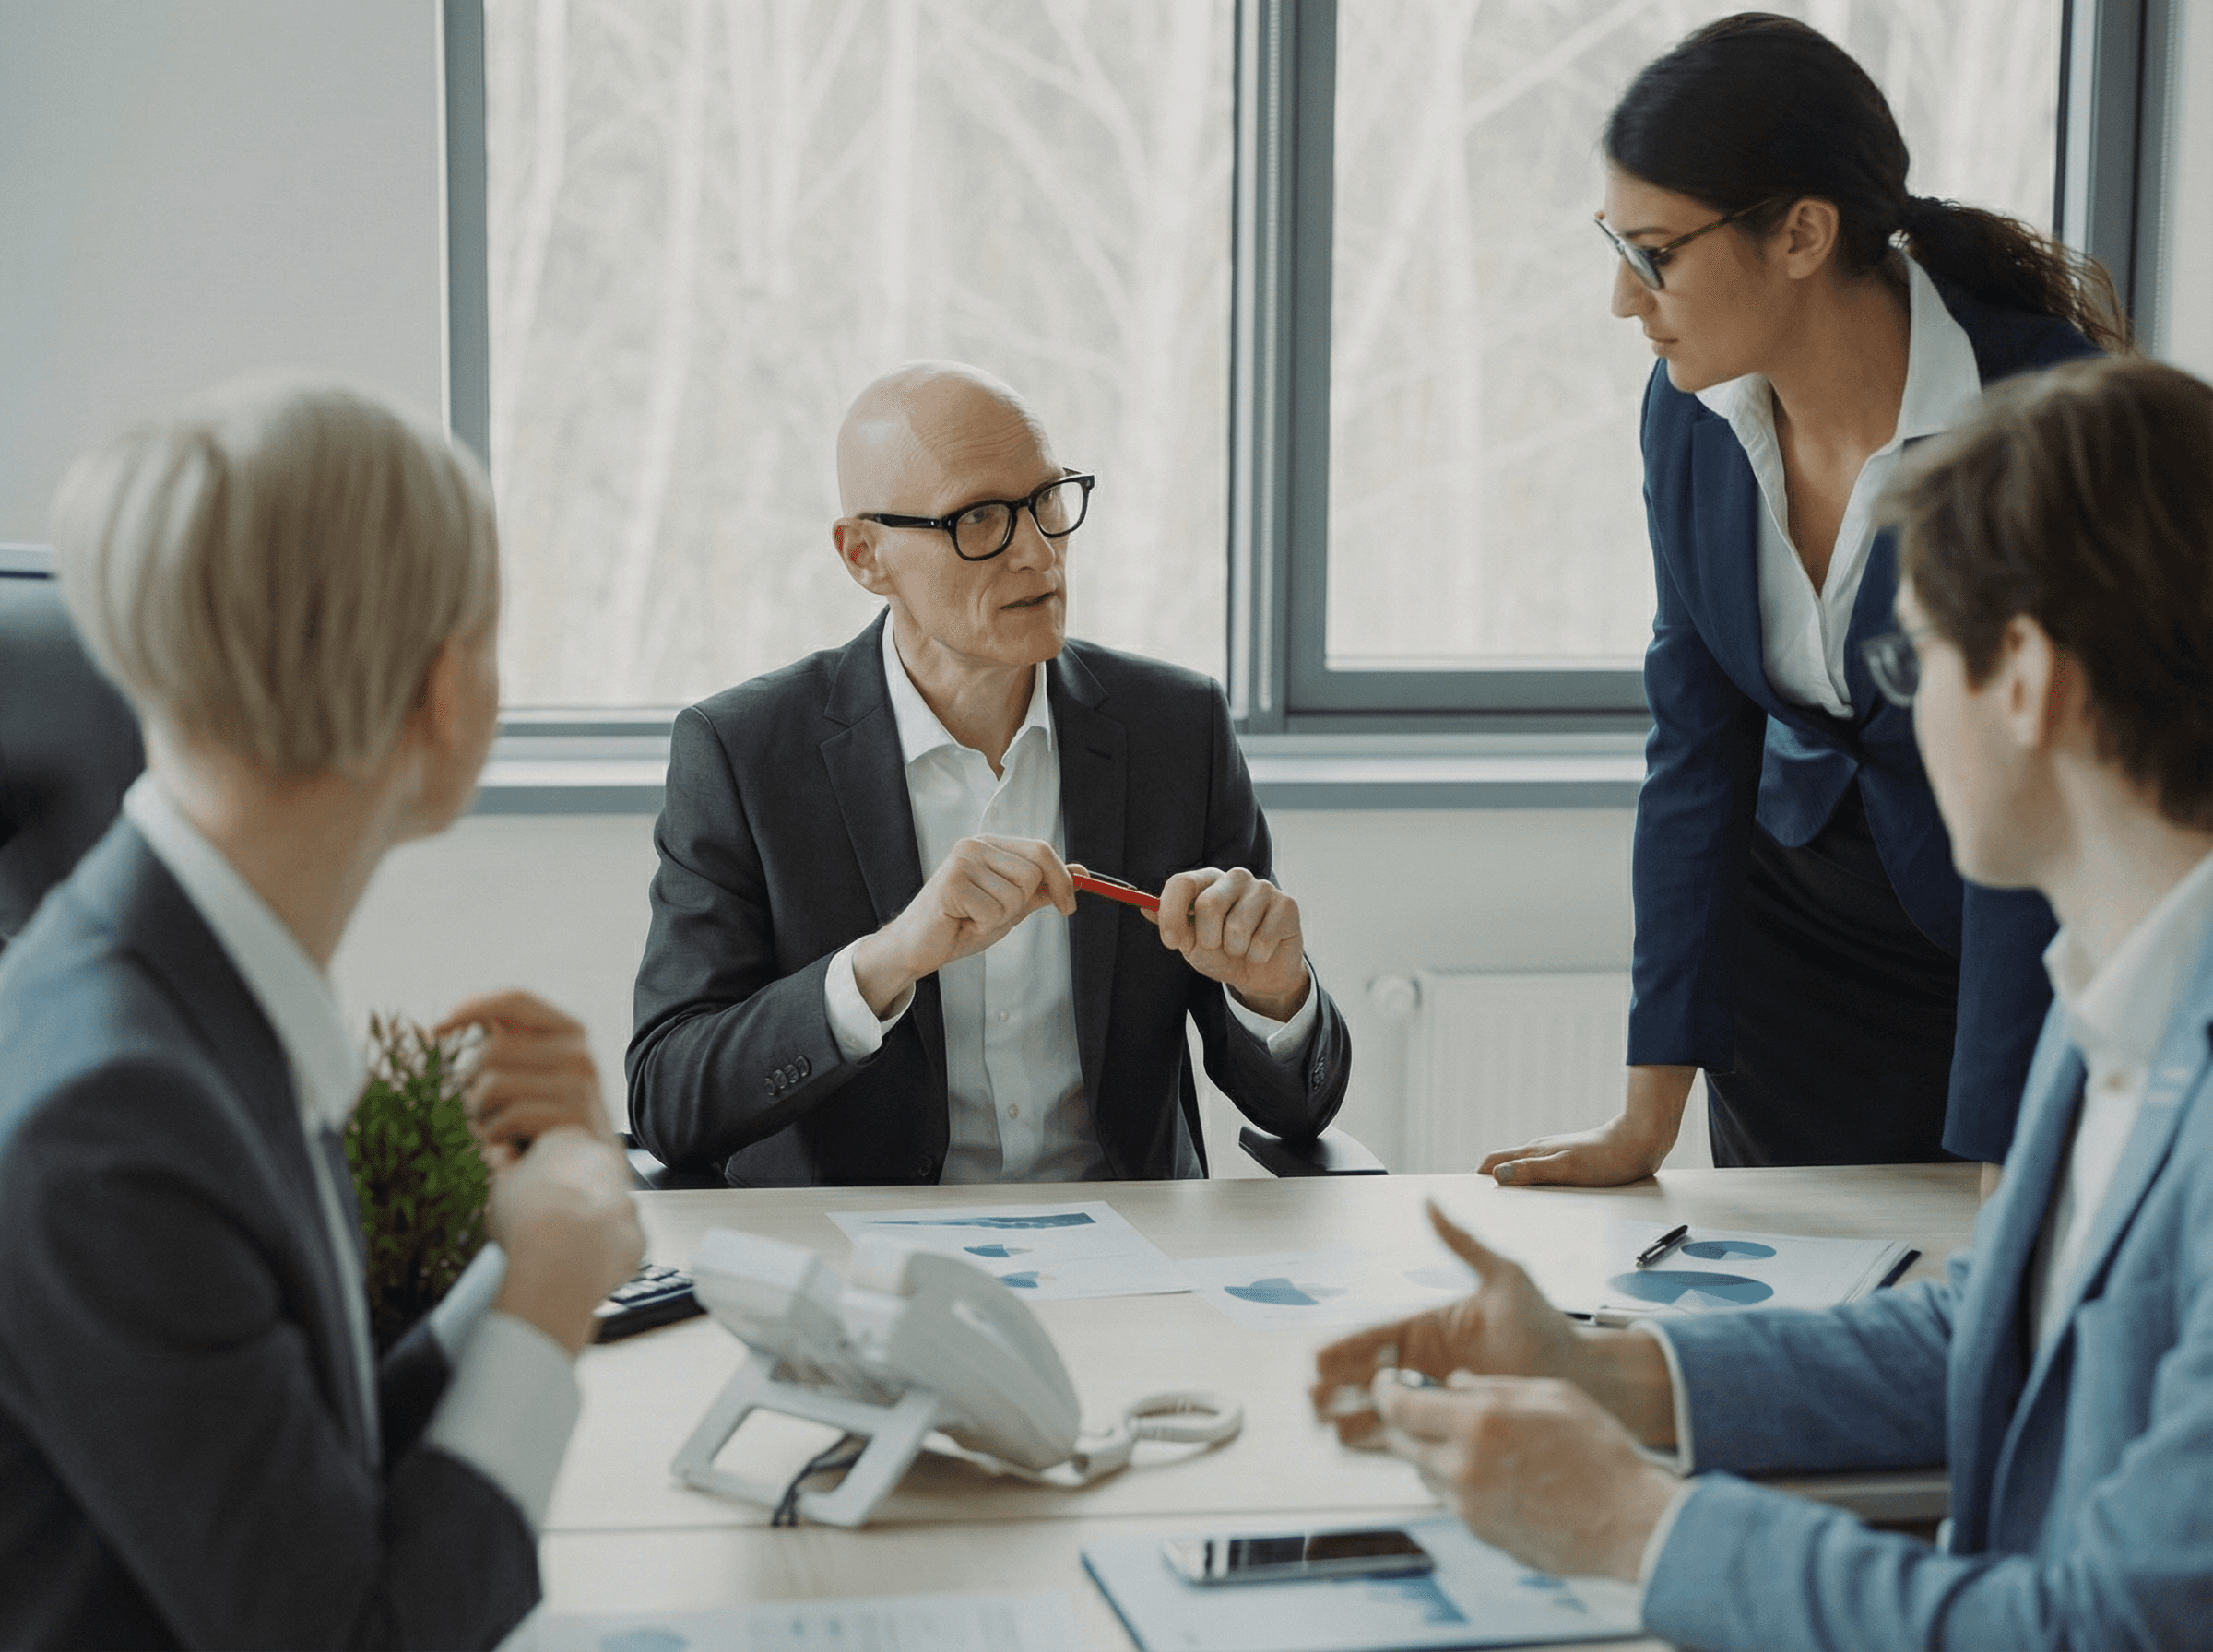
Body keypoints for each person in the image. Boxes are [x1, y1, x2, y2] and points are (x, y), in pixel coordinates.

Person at [1313, 354, 2213, 1647]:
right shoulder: (2111, 996)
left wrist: (1635, 1525)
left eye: (1916, 666)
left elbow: (2103, 1636)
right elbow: (1993, 1328)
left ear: (2024, 681)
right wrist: (1608, 1373)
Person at [0, 379, 645, 1648]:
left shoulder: (163, 985)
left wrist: (533, 1249)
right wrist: (551, 1292)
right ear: (444, 689)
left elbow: (296, 1478)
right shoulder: (114, 1120)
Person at [1482, 13, 2121, 1187]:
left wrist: (2000, 1141)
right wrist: (1645, 1115)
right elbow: (1696, 746)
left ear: (1803, 235)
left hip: (2013, 940)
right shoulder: (1691, 411)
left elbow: (2063, 794)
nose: (1626, 303)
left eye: (1653, 255)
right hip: (1794, 962)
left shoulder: (2046, 418)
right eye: (1614, 247)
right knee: (1793, 1297)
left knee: (1973, 1311)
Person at [628, 360, 1351, 1187]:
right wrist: (888, 961)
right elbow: (668, 1096)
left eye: (1048, 500)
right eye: (980, 518)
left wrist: (1274, 998)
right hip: (863, 1271)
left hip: (1128, 1262)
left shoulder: (1175, 731)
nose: (1039, 552)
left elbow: (1299, 1113)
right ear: (865, 555)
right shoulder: (745, 752)